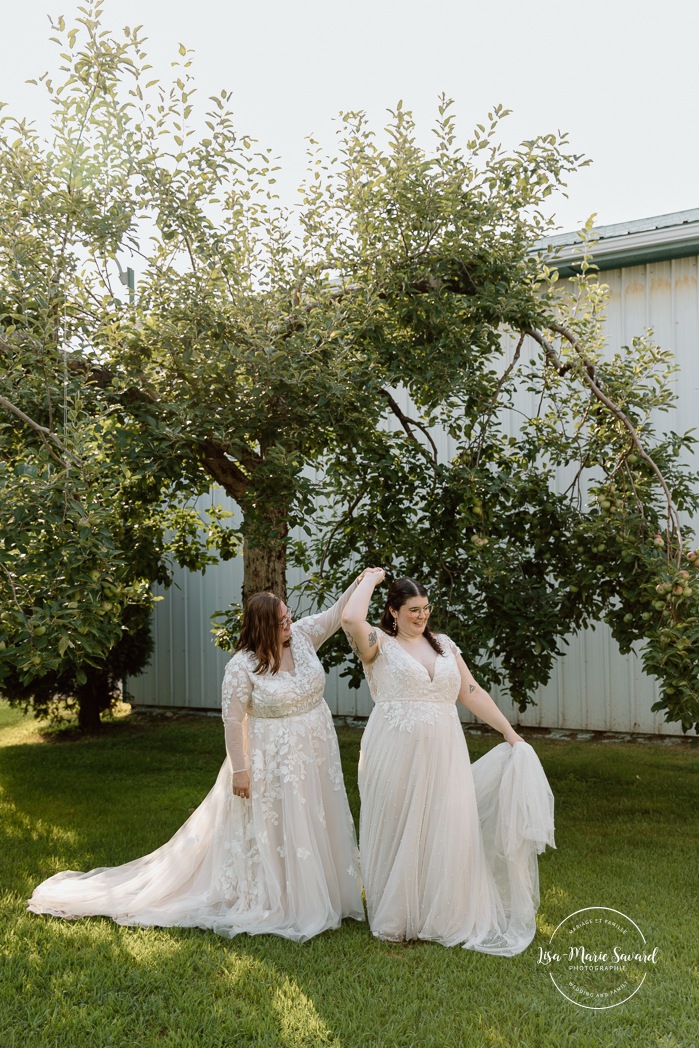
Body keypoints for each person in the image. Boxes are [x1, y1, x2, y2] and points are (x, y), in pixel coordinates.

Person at [28, 575, 369, 942]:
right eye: (281, 621)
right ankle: (280, 897)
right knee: (277, 824)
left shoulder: (302, 638)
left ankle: (317, 891)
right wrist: (240, 770)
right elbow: (233, 719)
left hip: (315, 753)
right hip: (271, 758)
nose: (289, 624)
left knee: (313, 816)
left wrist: (364, 581)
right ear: (261, 628)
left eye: (289, 617)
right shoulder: (242, 666)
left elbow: (335, 615)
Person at [341, 571, 555, 954]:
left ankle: (443, 913)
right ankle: (400, 916)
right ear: (393, 611)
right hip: (394, 747)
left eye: (426, 609)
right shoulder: (378, 644)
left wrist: (509, 732)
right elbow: (350, 618)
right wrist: (370, 579)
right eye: (412, 611)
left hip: (445, 747)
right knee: (401, 823)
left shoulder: (443, 645)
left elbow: (470, 691)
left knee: (446, 822)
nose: (422, 616)